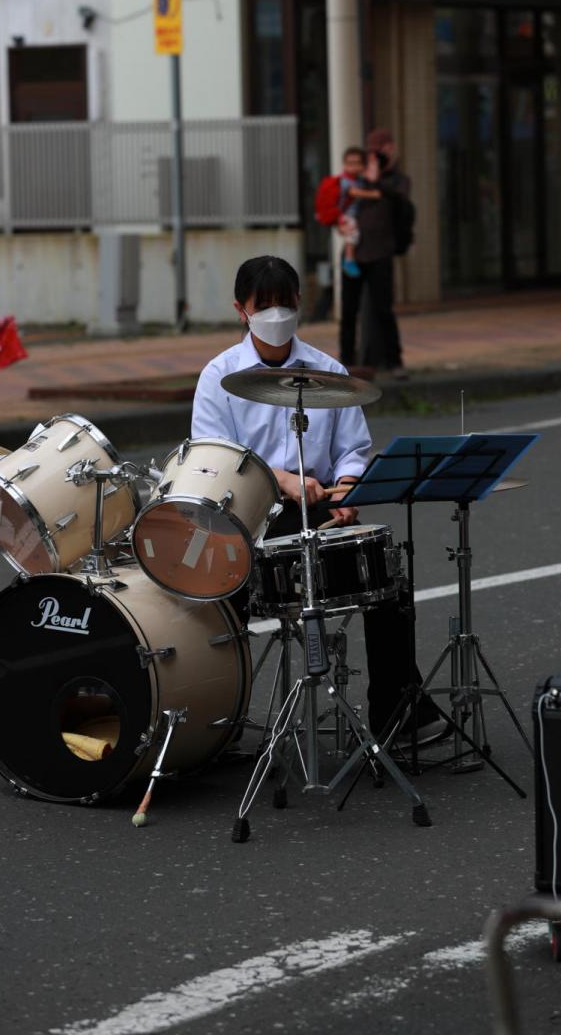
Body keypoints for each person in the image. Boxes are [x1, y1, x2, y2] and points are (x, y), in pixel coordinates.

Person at [191, 255, 445, 743]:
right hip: (251, 519)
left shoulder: (328, 370)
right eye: (264, 306)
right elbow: (213, 460)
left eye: (285, 304)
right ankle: (213, 725)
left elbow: (353, 448)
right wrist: (282, 480)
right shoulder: (218, 376)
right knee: (211, 607)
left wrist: (349, 486)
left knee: (389, 581)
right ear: (240, 310)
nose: (277, 315)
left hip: (323, 509)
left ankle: (397, 713)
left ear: (300, 304)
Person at [338, 127, 408, 376]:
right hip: (354, 253)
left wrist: (377, 177)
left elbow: (398, 199)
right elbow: (341, 199)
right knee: (348, 309)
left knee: (383, 309)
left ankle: (394, 361)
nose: (377, 158)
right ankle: (345, 361)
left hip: (381, 252)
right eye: (373, 153)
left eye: (383, 152)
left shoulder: (397, 180)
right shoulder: (355, 179)